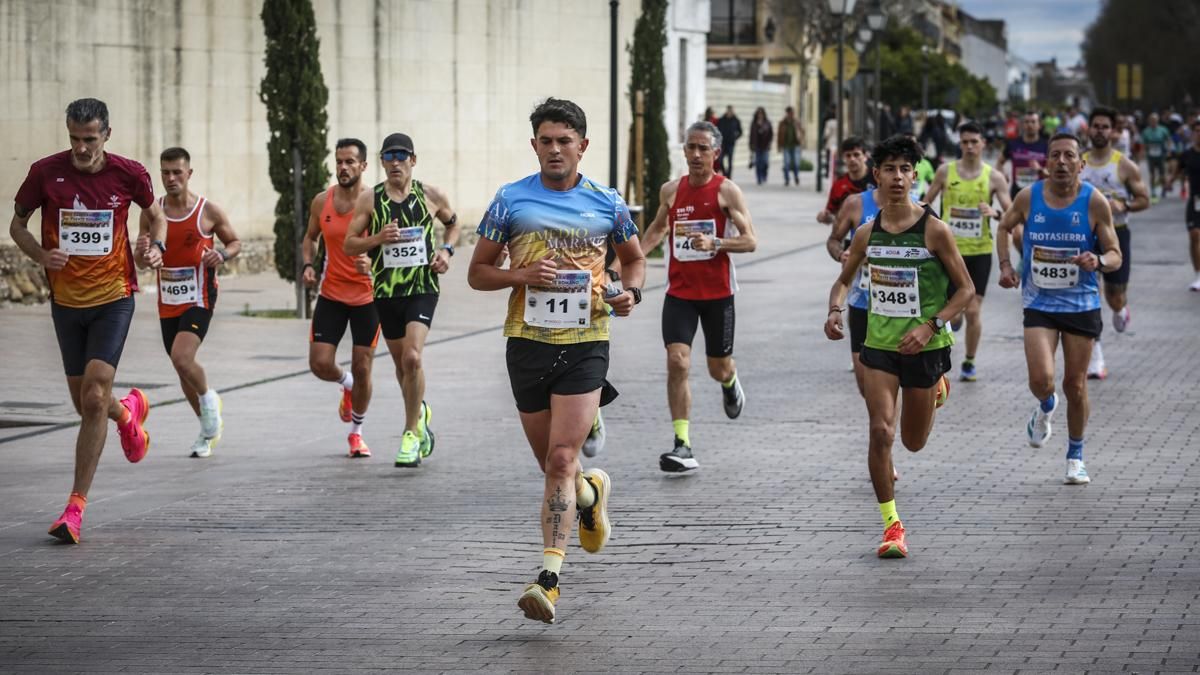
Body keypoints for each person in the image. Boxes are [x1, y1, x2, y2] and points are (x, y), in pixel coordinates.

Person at [467, 97, 646, 624]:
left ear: (582, 146)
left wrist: (627, 293)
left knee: (563, 459)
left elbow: (634, 261)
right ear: (534, 146)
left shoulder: (608, 202)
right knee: (554, 466)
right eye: (545, 140)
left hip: (587, 341)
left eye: (564, 141)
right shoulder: (510, 201)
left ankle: (548, 579)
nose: (554, 149)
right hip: (526, 341)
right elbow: (477, 273)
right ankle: (592, 494)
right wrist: (520, 276)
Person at [9, 98, 166, 544]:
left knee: (95, 393)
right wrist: (41, 254)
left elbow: (153, 216)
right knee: (87, 405)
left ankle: (74, 509)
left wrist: (153, 246)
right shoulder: (45, 172)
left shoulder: (129, 173)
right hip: (66, 302)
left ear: (107, 135)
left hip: (114, 297)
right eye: (75, 139)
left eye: (90, 139)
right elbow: (16, 225)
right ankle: (129, 413)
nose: (81, 148)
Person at [824, 134, 973, 558]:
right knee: (880, 430)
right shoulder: (867, 232)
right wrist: (835, 310)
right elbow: (843, 280)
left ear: (914, 177)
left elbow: (965, 289)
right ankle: (892, 525)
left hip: (925, 348)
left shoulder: (935, 231)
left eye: (905, 169)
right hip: (880, 344)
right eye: (889, 169)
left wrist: (930, 326)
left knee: (913, 442)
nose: (897, 177)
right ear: (877, 175)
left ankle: (938, 387)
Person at [996, 132, 1121, 485]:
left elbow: (1115, 254)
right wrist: (1006, 266)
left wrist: (1097, 259)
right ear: (1046, 162)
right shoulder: (1028, 196)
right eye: (1055, 156)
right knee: (1041, 380)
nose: (1062, 162)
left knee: (1075, 385)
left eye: (1069, 156)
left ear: (1081, 164)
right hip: (1040, 303)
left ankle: (1075, 455)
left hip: (1081, 303)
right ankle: (1046, 407)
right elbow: (1004, 226)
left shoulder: (1094, 202)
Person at [638, 121, 756, 472]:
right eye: (691, 147)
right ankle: (682, 444)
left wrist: (718, 243)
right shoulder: (671, 191)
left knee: (717, 367)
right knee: (677, 362)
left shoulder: (727, 192)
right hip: (680, 294)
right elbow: (657, 229)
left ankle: (730, 382)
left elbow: (751, 240)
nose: (696, 154)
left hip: (718, 294)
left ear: (716, 154)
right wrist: (628, 262)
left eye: (703, 148)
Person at [344, 133, 461, 467]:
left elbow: (454, 226)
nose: (395, 162)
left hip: (422, 287)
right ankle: (420, 410)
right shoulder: (370, 200)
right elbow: (349, 244)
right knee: (401, 366)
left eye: (401, 156)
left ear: (413, 160)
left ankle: (410, 433)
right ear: (382, 162)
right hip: (386, 291)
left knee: (412, 358)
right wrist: (378, 239)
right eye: (389, 156)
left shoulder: (431, 195)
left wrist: (446, 250)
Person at [143, 147, 239, 458]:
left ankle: (210, 400)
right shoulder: (152, 212)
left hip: (200, 297)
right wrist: (143, 251)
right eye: (165, 172)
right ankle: (207, 429)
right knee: (179, 365)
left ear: (189, 174)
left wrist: (221, 254)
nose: (170, 178)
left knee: (183, 359)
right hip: (167, 299)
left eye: (177, 172)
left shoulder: (207, 211)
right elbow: (141, 260)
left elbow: (235, 242)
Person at [302, 138, 379, 458]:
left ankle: (356, 433)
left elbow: (391, 245)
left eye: (350, 162)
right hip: (331, 293)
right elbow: (309, 238)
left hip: (367, 298)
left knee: (364, 368)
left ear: (363, 166)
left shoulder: (376, 202)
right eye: (339, 162)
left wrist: (372, 262)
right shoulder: (323, 201)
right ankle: (345, 383)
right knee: (319, 364)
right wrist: (308, 264)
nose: (343, 168)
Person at [922, 122, 1013, 381]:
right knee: (951, 313)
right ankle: (946, 345)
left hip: (980, 252)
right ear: (959, 144)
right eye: (965, 142)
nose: (970, 146)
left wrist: (994, 212)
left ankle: (969, 362)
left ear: (984, 143)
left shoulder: (994, 177)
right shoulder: (944, 172)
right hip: (949, 253)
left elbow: (1011, 212)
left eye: (975, 141)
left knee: (973, 311)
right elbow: (925, 205)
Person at [1080, 106, 1149, 379]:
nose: (1099, 131)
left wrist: (1125, 204)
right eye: (1095, 126)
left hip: (1117, 234)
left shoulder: (1124, 165)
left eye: (1104, 126)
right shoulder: (1079, 161)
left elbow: (1144, 199)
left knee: (1114, 294)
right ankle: (1096, 354)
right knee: (1090, 294)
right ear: (1089, 129)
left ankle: (1121, 309)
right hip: (1086, 236)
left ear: (1113, 131)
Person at [1167, 118, 1200, 291]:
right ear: (1193, 133)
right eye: (1197, 131)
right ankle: (1198, 276)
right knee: (1194, 235)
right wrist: (1170, 182)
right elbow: (1178, 169)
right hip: (1196, 201)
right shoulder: (1187, 154)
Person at [816, 136, 871, 226]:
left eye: (856, 154)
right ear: (843, 158)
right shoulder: (838, 185)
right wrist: (825, 217)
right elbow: (832, 214)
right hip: (849, 237)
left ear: (865, 156)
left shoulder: (878, 179)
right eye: (848, 155)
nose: (852, 159)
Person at [1141, 113, 1170, 200]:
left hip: (1161, 154)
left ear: (1157, 120)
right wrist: (1143, 152)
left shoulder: (1163, 130)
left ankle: (1163, 188)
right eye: (1151, 120)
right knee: (1152, 174)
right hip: (1151, 155)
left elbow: (1168, 140)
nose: (1153, 122)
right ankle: (1153, 191)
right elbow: (1143, 144)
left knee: (1162, 174)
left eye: (1155, 120)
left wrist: (1168, 150)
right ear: (1149, 121)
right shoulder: (1146, 131)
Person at [777, 106, 805, 187]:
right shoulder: (782, 123)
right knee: (786, 163)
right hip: (786, 146)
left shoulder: (797, 122)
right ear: (787, 113)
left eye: (792, 113)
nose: (791, 114)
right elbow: (779, 135)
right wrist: (779, 146)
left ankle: (796, 177)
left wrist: (801, 140)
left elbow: (802, 131)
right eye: (789, 113)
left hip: (796, 146)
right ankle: (787, 179)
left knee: (796, 163)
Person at [748, 108, 773, 185]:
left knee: (765, 162)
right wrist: (751, 145)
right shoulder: (754, 123)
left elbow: (771, 134)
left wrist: (769, 143)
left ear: (763, 114)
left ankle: (764, 174)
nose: (760, 115)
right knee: (758, 163)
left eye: (761, 113)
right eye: (759, 113)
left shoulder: (767, 123)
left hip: (765, 146)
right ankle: (759, 178)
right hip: (757, 146)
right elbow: (751, 135)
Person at [716, 106, 743, 178]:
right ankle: (725, 173)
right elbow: (716, 130)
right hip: (723, 143)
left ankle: (729, 176)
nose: (730, 112)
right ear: (726, 111)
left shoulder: (736, 120)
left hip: (731, 144)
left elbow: (740, 132)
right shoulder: (721, 120)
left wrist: (734, 138)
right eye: (728, 110)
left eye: (731, 111)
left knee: (730, 161)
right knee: (720, 159)